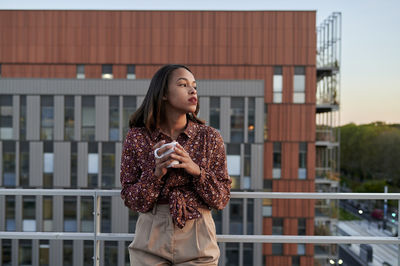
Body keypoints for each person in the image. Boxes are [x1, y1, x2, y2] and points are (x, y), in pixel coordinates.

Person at [120, 64, 232, 265]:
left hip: (198, 233)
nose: (192, 91)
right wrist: (155, 174)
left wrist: (195, 170)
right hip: (150, 234)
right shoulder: (137, 137)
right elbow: (131, 199)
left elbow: (222, 198)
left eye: (194, 86)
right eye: (183, 85)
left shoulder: (210, 137)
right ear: (163, 93)